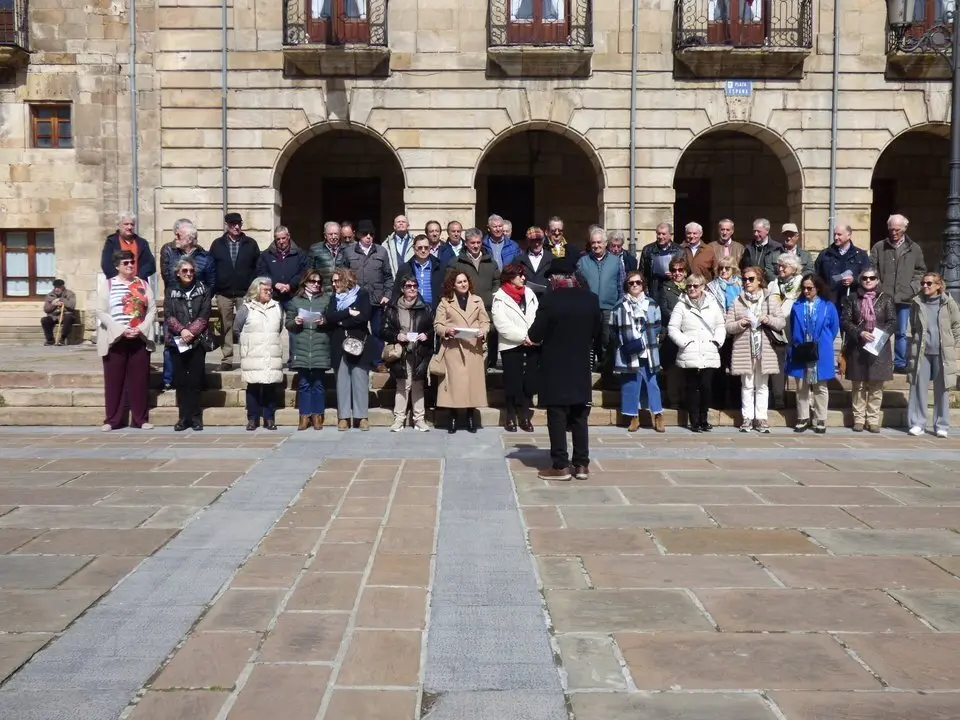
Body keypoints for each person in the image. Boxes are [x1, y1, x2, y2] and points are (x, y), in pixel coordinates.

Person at [528, 256, 602, 480]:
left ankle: (560, 465)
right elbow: (597, 333)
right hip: (580, 364)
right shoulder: (591, 299)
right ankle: (581, 465)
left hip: (555, 366)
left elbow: (535, 334)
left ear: (555, 278)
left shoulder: (551, 300)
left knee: (557, 415)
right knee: (580, 414)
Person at [95, 250, 157, 431]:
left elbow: (152, 310)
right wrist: (122, 330)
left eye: (132, 262)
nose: (130, 265)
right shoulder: (108, 285)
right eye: (126, 263)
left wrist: (140, 328)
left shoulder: (143, 284)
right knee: (114, 382)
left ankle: (140, 419)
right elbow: (101, 311)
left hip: (139, 336)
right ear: (117, 266)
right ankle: (112, 420)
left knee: (139, 381)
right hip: (115, 338)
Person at [724, 266, 785, 433]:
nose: (747, 282)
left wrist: (768, 319)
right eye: (745, 279)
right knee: (747, 384)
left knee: (763, 385)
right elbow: (728, 326)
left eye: (751, 279)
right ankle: (747, 418)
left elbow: (781, 322)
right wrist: (740, 323)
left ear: (759, 281)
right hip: (745, 347)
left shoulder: (770, 299)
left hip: (764, 348)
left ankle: (761, 418)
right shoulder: (737, 300)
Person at [433, 271, 490, 434]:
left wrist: (483, 331)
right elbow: (437, 324)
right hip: (453, 348)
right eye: (459, 282)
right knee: (454, 385)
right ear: (453, 284)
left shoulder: (477, 300)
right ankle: (452, 418)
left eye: (465, 281)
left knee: (472, 383)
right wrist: (447, 330)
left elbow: (485, 321)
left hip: (473, 348)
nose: (463, 284)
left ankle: (471, 417)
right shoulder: (445, 302)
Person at [668, 273, 725, 432]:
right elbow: (672, 328)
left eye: (695, 286)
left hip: (709, 349)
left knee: (706, 386)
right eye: (689, 286)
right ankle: (694, 420)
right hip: (690, 350)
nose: (691, 289)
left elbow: (720, 325)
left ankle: (703, 418)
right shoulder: (681, 305)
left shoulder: (712, 304)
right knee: (692, 386)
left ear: (702, 287)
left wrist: (717, 341)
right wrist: (685, 342)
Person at [841, 268, 896, 433]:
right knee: (858, 385)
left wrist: (880, 335)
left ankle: (872, 420)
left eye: (872, 278)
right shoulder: (852, 298)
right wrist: (860, 333)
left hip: (878, 347)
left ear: (877, 280)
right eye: (864, 278)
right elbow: (845, 320)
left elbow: (893, 321)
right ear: (860, 280)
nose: (868, 280)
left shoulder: (886, 299)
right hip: (858, 346)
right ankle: (858, 419)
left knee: (876, 385)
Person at [870, 214, 927, 372]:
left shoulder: (914, 248)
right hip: (883, 297)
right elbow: (871, 268)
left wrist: (912, 289)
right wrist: (878, 287)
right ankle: (879, 360)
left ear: (904, 229)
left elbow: (921, 271)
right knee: (880, 330)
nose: (894, 232)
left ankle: (900, 363)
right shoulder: (879, 247)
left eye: (897, 230)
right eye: (891, 229)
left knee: (901, 332)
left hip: (904, 297)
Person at [610, 271, 665, 433]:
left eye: (638, 282)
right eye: (631, 283)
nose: (634, 285)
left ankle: (658, 415)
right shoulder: (619, 306)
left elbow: (658, 326)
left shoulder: (652, 304)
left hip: (648, 350)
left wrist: (643, 340)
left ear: (643, 284)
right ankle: (633, 417)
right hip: (628, 351)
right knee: (630, 384)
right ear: (626, 285)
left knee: (652, 383)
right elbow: (613, 329)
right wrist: (627, 343)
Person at [907, 272, 960, 438]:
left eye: (929, 283)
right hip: (922, 352)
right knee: (917, 387)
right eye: (923, 283)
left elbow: (957, 327)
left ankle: (941, 424)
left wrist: (953, 347)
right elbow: (913, 327)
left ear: (938, 285)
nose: (925, 286)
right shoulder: (916, 302)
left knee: (942, 390)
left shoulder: (949, 303)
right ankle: (917, 423)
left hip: (942, 353)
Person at [786, 274, 840, 434]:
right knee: (801, 385)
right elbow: (792, 327)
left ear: (818, 288)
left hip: (821, 349)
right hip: (801, 348)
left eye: (810, 288)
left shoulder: (827, 306)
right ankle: (803, 417)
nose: (806, 291)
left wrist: (824, 341)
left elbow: (834, 327)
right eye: (803, 288)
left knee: (820, 386)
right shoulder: (797, 305)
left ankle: (820, 418)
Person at [325, 268, 378, 431]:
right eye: (332, 281)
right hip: (339, 342)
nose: (334, 285)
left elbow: (363, 317)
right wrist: (348, 312)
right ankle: (344, 417)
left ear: (346, 280)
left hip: (358, 341)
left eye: (337, 281)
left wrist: (342, 322)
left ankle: (361, 417)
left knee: (359, 379)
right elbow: (330, 317)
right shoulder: (334, 298)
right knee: (342, 380)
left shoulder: (361, 295)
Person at [165, 258, 213, 431]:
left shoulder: (204, 290)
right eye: (185, 271)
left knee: (194, 380)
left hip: (197, 340)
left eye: (191, 271)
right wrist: (182, 331)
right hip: (177, 341)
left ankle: (195, 417)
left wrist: (191, 332)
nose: (188, 274)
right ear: (178, 272)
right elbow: (169, 315)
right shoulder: (171, 290)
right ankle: (183, 417)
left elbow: (204, 313)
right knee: (181, 380)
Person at [382, 275, 435, 432]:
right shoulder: (392, 308)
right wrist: (396, 336)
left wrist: (427, 335)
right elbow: (382, 329)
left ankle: (419, 419)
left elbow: (433, 328)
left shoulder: (426, 307)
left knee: (418, 384)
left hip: (420, 350)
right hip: (401, 351)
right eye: (408, 286)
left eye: (414, 286)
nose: (412, 289)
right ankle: (399, 419)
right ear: (402, 289)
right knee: (402, 385)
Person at [209, 212, 261, 370]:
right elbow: (211, 268)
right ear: (226, 225)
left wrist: (253, 288)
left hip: (245, 293)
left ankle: (248, 357)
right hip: (223, 292)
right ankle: (227, 359)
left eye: (238, 223)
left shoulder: (251, 243)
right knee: (226, 326)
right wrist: (214, 288)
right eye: (232, 224)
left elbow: (257, 267)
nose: (236, 226)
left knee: (247, 325)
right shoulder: (217, 244)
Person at [492, 263, 539, 432]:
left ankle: (525, 416)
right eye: (520, 275)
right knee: (513, 383)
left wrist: (532, 336)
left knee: (529, 382)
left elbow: (536, 315)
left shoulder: (530, 293)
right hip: (511, 345)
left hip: (531, 344)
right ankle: (510, 416)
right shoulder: (499, 297)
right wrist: (522, 337)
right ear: (511, 278)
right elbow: (501, 323)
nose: (524, 278)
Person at [286, 271, 332, 431]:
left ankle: (317, 416)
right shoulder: (295, 301)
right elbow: (288, 324)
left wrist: (324, 321)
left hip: (320, 346)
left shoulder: (326, 300)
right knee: (304, 384)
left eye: (319, 282)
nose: (316, 284)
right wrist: (296, 322)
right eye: (313, 281)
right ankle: (304, 416)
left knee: (318, 384)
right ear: (305, 282)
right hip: (302, 347)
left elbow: (331, 322)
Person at [235, 277, 284, 431]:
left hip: (271, 352)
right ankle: (253, 418)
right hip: (253, 353)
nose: (269, 292)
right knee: (253, 386)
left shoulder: (277, 307)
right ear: (256, 291)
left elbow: (280, 327)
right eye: (265, 290)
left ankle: (269, 418)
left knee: (270, 386)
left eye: (270, 290)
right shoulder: (246, 308)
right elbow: (237, 328)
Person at [577, 227, 621, 379]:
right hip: (589, 308)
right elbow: (577, 286)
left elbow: (621, 286)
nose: (596, 245)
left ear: (606, 243)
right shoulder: (582, 262)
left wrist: (619, 306)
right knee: (588, 341)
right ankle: (587, 375)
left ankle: (606, 374)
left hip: (609, 307)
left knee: (607, 341)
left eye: (599, 242)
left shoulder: (616, 261)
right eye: (593, 242)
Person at [767, 253, 804, 410]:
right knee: (778, 364)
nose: (780, 268)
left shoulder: (802, 284)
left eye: (784, 266)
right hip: (777, 332)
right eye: (779, 265)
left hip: (796, 332)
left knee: (799, 366)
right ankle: (778, 396)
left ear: (794, 269)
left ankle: (802, 401)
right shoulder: (773, 284)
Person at [814, 223, 871, 311]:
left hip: (852, 303)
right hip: (828, 302)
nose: (836, 237)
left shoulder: (861, 255)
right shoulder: (825, 254)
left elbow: (868, 277)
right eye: (834, 234)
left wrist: (854, 280)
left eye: (839, 234)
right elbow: (816, 276)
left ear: (848, 235)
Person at [657, 259, 689, 409]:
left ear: (685, 271)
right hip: (672, 333)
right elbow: (664, 309)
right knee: (673, 368)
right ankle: (674, 399)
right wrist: (680, 320)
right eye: (674, 270)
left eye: (680, 270)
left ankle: (686, 398)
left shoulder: (692, 286)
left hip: (689, 333)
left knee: (687, 367)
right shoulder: (665, 287)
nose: (677, 273)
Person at [256, 225, 308, 308]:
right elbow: (262, 272)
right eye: (278, 239)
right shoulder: (266, 255)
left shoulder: (300, 254)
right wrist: (275, 283)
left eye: (283, 238)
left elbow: (303, 272)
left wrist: (290, 285)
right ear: (275, 239)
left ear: (288, 236)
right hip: (272, 297)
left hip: (293, 297)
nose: (281, 241)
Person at [393, 235, 444, 311]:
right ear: (414, 248)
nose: (423, 250)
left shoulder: (440, 266)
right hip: (412, 310)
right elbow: (396, 292)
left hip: (435, 310)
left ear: (430, 248)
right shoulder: (405, 268)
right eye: (420, 248)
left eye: (426, 247)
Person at [100, 212, 157, 281]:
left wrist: (139, 277)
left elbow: (150, 264)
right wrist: (120, 279)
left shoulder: (142, 243)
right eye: (126, 224)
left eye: (132, 224)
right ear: (119, 225)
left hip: (138, 283)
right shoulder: (111, 242)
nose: (129, 227)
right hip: (117, 284)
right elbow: (106, 264)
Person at [640, 222, 684, 301]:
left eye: (663, 234)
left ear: (670, 235)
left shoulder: (679, 251)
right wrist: (644, 290)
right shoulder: (647, 250)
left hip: (673, 289)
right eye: (658, 234)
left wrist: (675, 274)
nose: (660, 236)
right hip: (653, 288)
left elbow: (686, 272)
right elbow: (642, 272)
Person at [309, 221, 347, 294]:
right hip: (322, 292)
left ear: (340, 234)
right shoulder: (315, 249)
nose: (333, 237)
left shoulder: (347, 249)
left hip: (342, 292)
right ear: (325, 235)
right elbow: (310, 272)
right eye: (330, 234)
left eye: (336, 234)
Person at [740, 218, 783, 283]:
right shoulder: (748, 248)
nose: (755, 234)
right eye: (754, 231)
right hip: (752, 286)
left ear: (767, 231)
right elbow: (743, 267)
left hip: (771, 285)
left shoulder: (777, 248)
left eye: (758, 231)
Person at [518, 226, 554, 296]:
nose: (537, 244)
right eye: (533, 240)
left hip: (546, 299)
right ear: (528, 241)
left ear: (543, 240)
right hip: (525, 298)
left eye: (539, 240)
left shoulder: (552, 258)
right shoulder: (519, 259)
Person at [41, 279, 76, 346]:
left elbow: (72, 306)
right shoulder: (50, 295)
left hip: (65, 315)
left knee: (68, 318)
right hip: (54, 316)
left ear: (62, 287)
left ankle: (62, 339)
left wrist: (62, 300)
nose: (56, 289)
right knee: (45, 320)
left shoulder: (70, 294)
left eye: (58, 287)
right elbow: (46, 309)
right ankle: (50, 340)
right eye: (55, 287)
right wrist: (53, 305)